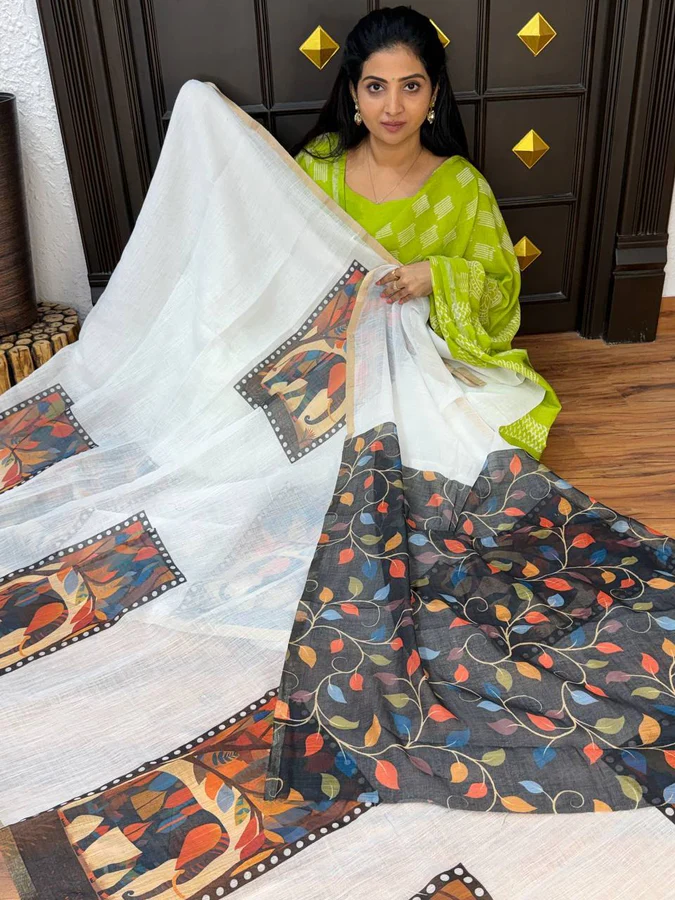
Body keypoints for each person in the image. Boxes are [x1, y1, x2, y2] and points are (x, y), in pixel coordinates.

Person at [292, 6, 561, 460]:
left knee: (490, 426)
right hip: (326, 348)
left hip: (422, 356)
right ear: (354, 92)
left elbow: (501, 295)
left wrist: (439, 276)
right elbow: (279, 258)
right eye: (376, 87)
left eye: (411, 87)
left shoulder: (460, 186)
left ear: (434, 92)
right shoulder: (318, 167)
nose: (393, 107)